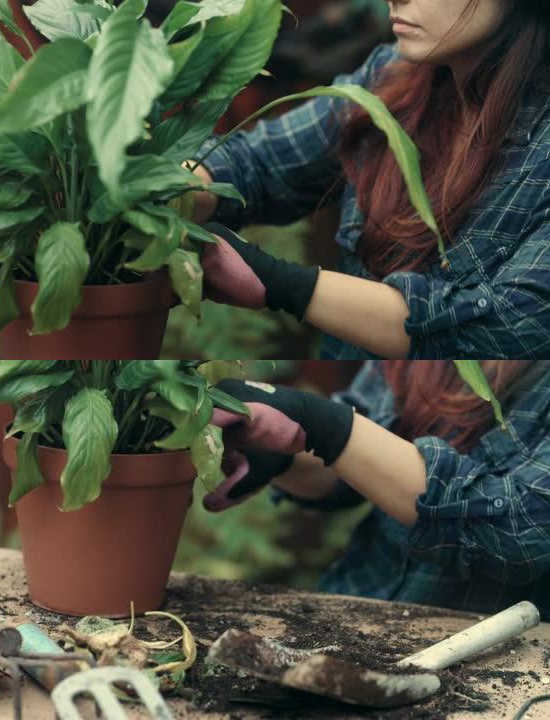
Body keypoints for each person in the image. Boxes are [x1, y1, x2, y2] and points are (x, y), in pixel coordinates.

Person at [189, 0, 550, 359]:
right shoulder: (393, 73)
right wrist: (173, 191)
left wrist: (276, 280)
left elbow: (511, 326)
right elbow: (259, 162)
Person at [204, 361, 549, 619]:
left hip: (490, 654)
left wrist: (323, 425)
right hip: (353, 607)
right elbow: (358, 455)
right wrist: (281, 454)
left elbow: (519, 532)